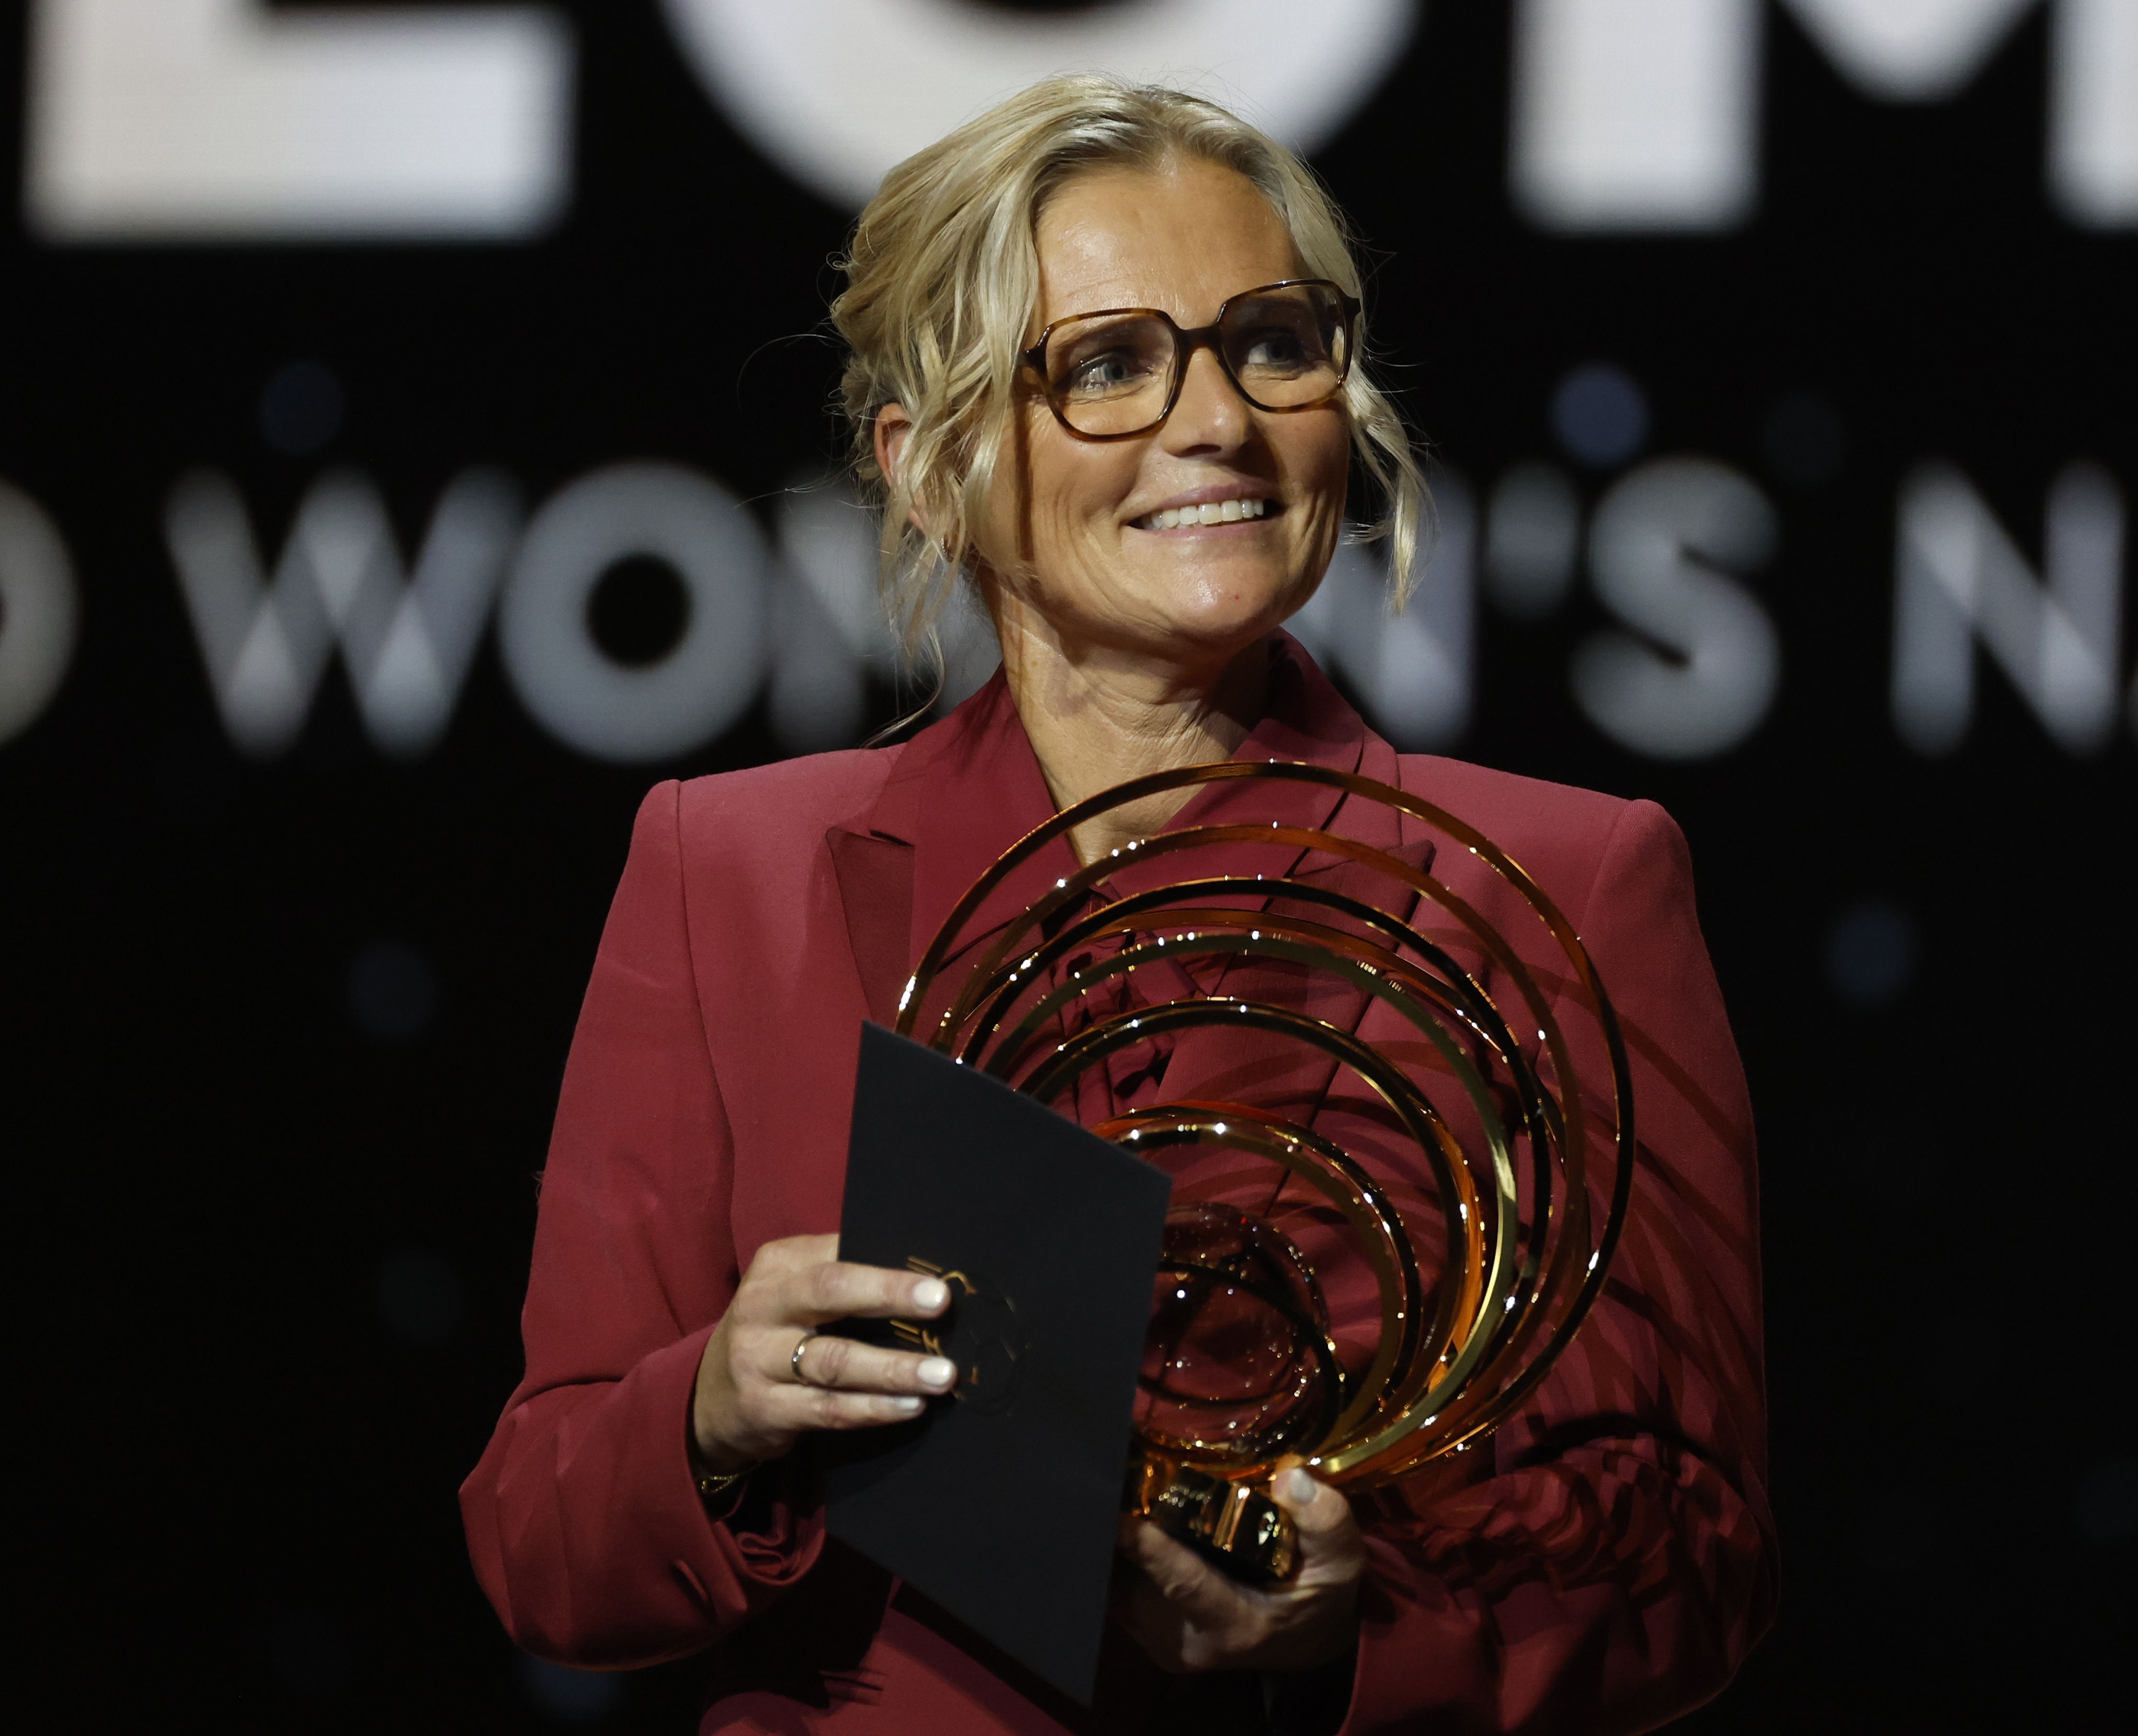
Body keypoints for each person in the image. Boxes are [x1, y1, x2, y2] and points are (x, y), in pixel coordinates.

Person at [462, 74, 1773, 1735]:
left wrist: (1363, 1628)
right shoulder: (727, 872)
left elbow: (1693, 1554)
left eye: (1272, 342)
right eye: (1107, 365)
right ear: (928, 472)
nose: (1216, 418)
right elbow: (542, 1548)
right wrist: (712, 1413)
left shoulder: (1564, 885)